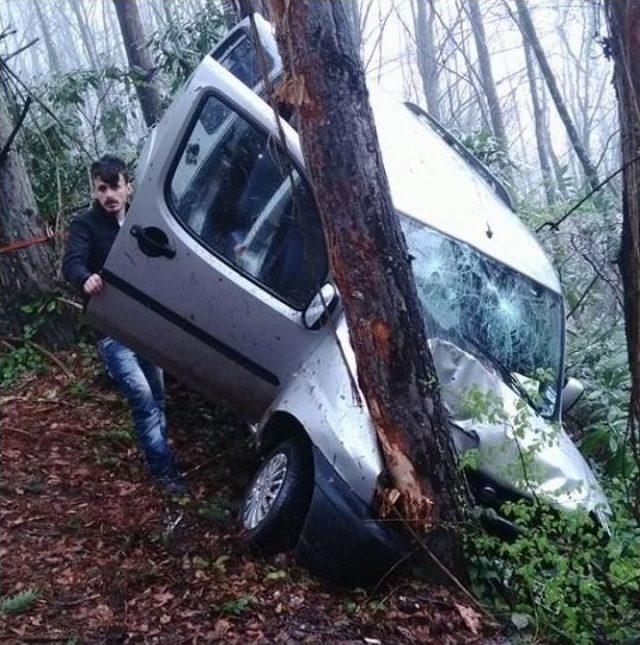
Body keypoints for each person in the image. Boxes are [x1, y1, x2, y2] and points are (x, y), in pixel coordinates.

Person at [62, 155, 185, 494]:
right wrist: (85, 279)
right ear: (94, 191)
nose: (108, 195)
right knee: (143, 398)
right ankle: (164, 475)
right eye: (101, 189)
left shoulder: (144, 220)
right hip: (112, 332)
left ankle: (165, 460)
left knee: (158, 396)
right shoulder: (85, 226)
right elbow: (72, 263)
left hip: (145, 327)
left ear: (129, 187)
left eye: (114, 186)